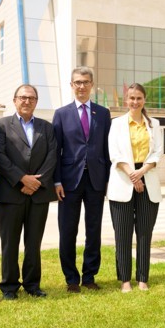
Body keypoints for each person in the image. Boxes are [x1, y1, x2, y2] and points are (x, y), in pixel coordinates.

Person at [0, 84, 57, 300]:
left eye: (31, 98)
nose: (27, 101)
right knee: (10, 242)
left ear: (36, 102)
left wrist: (37, 182)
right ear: (14, 100)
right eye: (22, 97)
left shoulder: (46, 128)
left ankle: (32, 284)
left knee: (33, 242)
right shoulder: (1, 125)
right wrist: (22, 179)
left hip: (39, 194)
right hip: (10, 193)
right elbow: (0, 156)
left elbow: (52, 156)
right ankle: (9, 287)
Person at [52, 67, 112, 293]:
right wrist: (56, 181)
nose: (81, 86)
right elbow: (55, 151)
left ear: (92, 84)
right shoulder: (61, 114)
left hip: (96, 181)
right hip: (69, 182)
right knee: (67, 230)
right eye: (77, 82)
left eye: (86, 82)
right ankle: (71, 279)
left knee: (93, 230)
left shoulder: (102, 113)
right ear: (71, 85)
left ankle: (89, 276)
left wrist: (107, 179)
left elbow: (107, 150)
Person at [106, 83, 163, 292]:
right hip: (123, 180)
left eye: (139, 98)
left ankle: (142, 278)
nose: (135, 102)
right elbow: (115, 154)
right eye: (131, 98)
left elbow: (157, 153)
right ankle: (125, 281)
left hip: (148, 179)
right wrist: (132, 174)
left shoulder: (154, 124)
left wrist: (141, 173)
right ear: (125, 100)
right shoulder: (116, 124)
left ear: (144, 100)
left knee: (144, 233)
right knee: (122, 233)